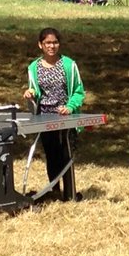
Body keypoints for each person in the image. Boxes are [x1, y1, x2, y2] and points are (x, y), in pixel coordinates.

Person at [23, 27, 85, 199]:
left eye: (55, 42)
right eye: (48, 43)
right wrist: (30, 93)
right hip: (45, 118)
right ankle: (54, 190)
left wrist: (70, 107)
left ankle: (70, 193)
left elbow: (79, 91)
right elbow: (35, 91)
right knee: (51, 155)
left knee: (66, 154)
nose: (52, 46)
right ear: (40, 45)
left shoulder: (69, 65)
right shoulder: (33, 68)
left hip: (66, 117)